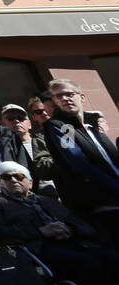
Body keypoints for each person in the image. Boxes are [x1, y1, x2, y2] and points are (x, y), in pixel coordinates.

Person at [0, 161, 119, 285]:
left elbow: (81, 224)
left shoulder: (48, 201)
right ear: (1, 183)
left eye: (19, 177)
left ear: (30, 183)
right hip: (38, 250)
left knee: (111, 257)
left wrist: (70, 229)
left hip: (73, 242)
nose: (14, 180)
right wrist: (40, 231)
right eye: (7, 177)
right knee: (88, 263)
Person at [40, 79, 119, 242]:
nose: (64, 99)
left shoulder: (94, 124)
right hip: (102, 201)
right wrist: (115, 186)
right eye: (59, 96)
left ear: (81, 97)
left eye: (69, 94)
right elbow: (77, 161)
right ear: (55, 101)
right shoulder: (62, 126)